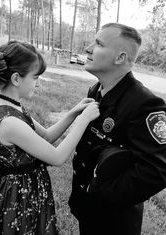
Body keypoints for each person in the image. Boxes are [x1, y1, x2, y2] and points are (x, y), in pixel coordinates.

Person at [0, 40, 100, 235]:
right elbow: (57, 157)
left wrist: (73, 113)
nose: (38, 82)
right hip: (17, 199)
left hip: (27, 191)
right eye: (35, 77)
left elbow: (47, 137)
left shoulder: (12, 107)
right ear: (16, 79)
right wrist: (84, 120)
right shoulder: (10, 122)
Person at [68, 23, 166, 235]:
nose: (88, 48)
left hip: (114, 221)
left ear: (120, 57)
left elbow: (156, 171)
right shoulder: (96, 90)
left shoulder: (145, 104)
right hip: (88, 210)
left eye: (99, 43)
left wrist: (100, 192)